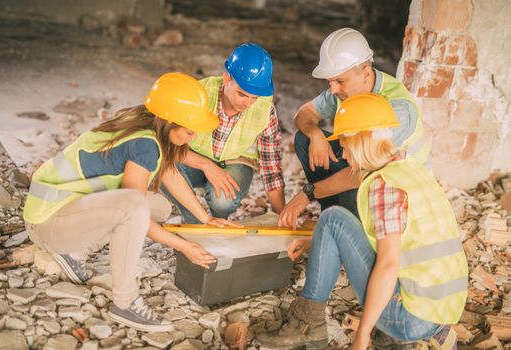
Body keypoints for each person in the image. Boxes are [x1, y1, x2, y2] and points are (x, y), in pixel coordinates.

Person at [23, 73, 240, 332]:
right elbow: (133, 208)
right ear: (170, 122)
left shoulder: (148, 121)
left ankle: (73, 252)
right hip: (48, 220)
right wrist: (184, 246)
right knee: (135, 206)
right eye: (190, 131)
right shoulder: (145, 145)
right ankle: (125, 303)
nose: (193, 138)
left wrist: (205, 219)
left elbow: (169, 171)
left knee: (159, 207)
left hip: (59, 208)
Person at [258, 93, 468, 350]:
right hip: (441, 312)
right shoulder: (410, 169)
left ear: (360, 141)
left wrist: (362, 335)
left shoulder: (385, 186)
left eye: (344, 145)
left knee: (333, 218)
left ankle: (308, 325)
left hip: (410, 319)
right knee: (334, 223)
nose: (343, 154)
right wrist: (316, 241)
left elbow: (389, 265)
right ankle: (413, 337)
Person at [279, 28, 429, 228]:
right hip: (361, 166)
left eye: (340, 81)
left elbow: (365, 172)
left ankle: (346, 224)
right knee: (304, 139)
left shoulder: (398, 109)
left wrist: (307, 193)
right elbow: (304, 115)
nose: (333, 89)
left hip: (397, 190)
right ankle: (332, 214)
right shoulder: (344, 91)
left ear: (366, 73)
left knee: (355, 193)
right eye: (330, 81)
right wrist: (315, 135)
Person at [162, 43, 285, 223]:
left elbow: (271, 165)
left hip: (236, 161)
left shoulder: (266, 110)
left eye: (255, 98)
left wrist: (280, 214)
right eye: (242, 95)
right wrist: (206, 165)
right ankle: (193, 219)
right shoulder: (199, 95)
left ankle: (220, 219)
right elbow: (164, 144)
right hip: (191, 158)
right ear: (227, 79)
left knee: (222, 201)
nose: (248, 104)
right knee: (163, 165)